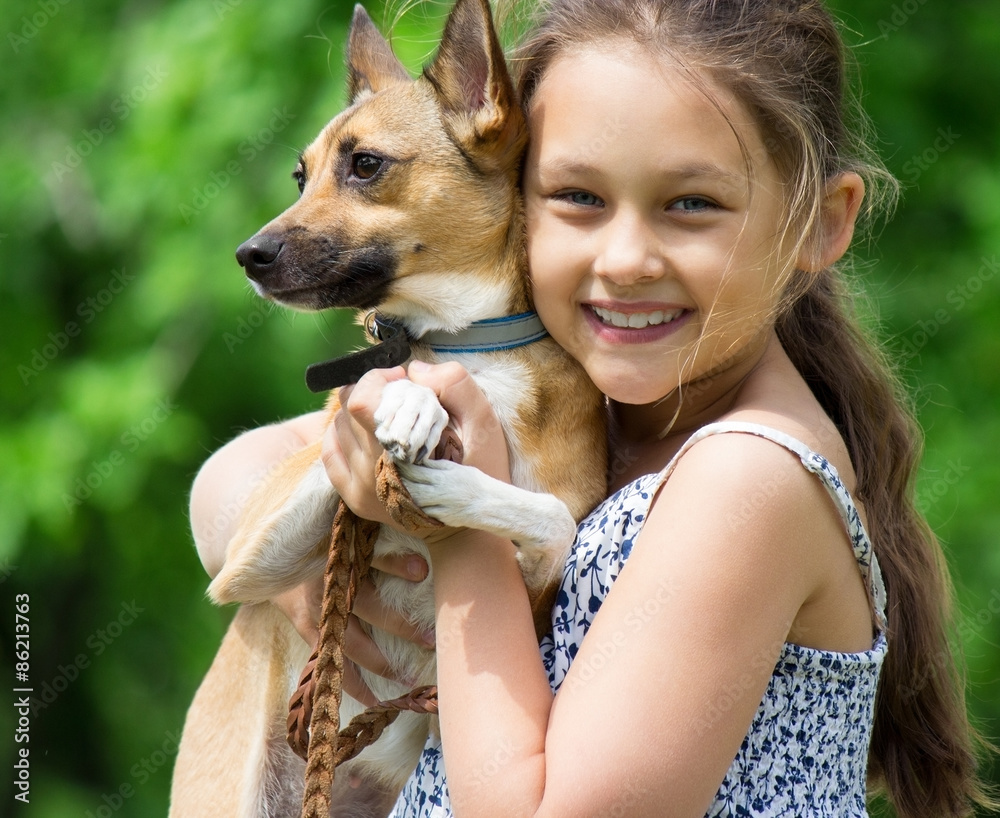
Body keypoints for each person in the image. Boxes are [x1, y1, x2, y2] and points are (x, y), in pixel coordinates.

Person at [191, 0, 994, 814]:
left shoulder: (747, 482)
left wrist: (455, 519)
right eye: (576, 196)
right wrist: (318, 574)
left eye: (691, 205)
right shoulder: (586, 397)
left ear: (819, 225)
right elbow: (227, 483)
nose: (625, 260)